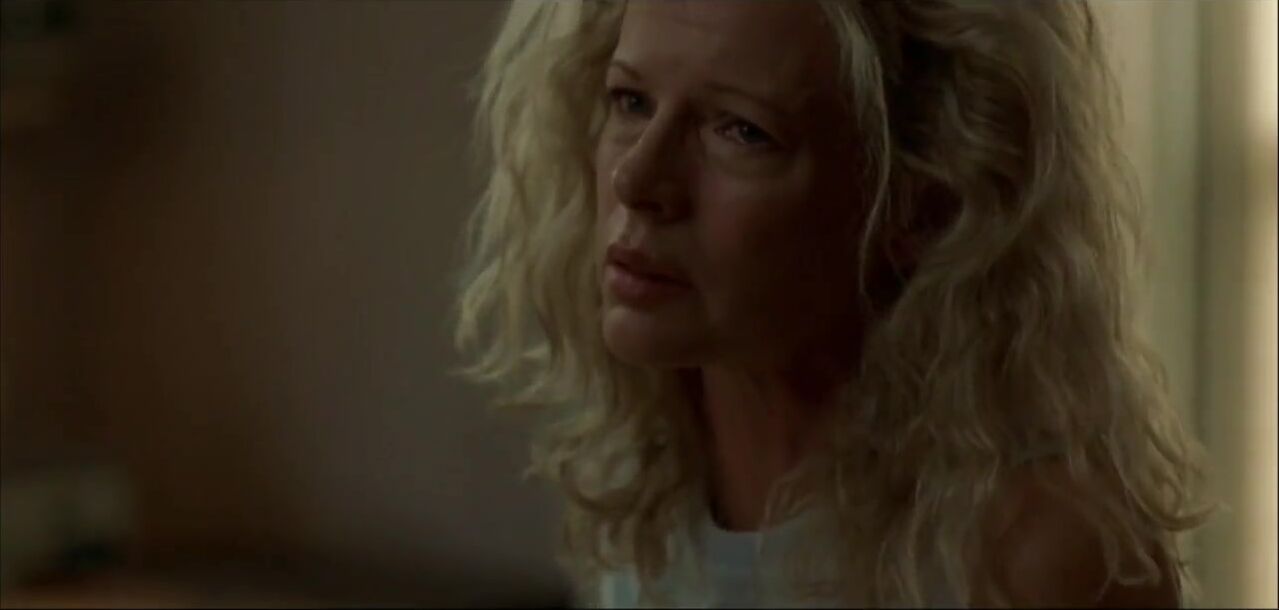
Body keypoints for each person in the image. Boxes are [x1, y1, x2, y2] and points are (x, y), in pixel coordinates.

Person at [452, 1, 1212, 607]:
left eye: (741, 130)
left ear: (922, 201)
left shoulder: (1041, 558)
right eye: (630, 101)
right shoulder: (645, 477)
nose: (637, 180)